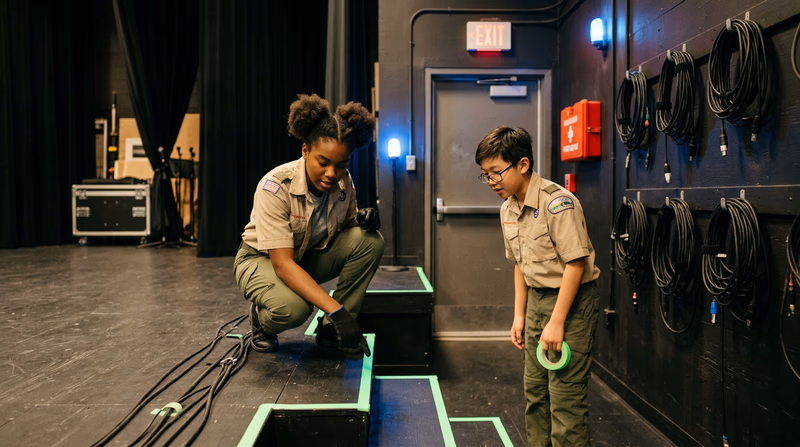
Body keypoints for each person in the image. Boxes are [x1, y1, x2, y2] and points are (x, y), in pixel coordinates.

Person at [475, 126, 601, 446]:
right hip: (536, 301)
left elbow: (574, 264)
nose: (491, 182)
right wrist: (519, 315)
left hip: (571, 303)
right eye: (485, 175)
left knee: (565, 397)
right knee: (535, 392)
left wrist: (557, 322)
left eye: (496, 172)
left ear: (523, 164)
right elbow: (520, 264)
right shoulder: (509, 208)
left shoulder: (557, 203)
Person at [233, 93, 383, 357]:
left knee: (370, 240)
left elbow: (349, 231)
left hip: (305, 256)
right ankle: (261, 321)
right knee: (295, 309)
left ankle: (329, 330)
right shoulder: (276, 186)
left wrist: (365, 219)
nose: (331, 173)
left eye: (341, 165)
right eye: (323, 162)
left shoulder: (343, 181)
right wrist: (338, 311)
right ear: (305, 151)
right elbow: (282, 264)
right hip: (261, 260)